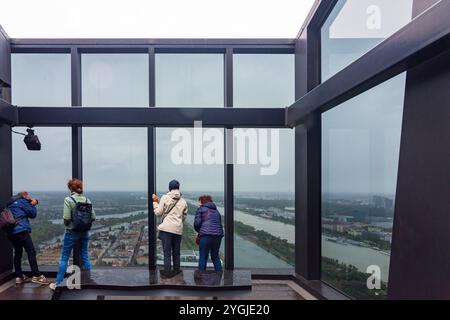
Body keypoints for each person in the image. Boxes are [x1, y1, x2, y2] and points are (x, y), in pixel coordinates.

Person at [49, 179, 95, 290]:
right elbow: (93, 217)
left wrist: (69, 225)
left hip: (71, 232)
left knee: (65, 256)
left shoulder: (68, 199)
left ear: (70, 188)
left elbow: (66, 218)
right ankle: (88, 280)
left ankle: (58, 283)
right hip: (84, 232)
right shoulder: (87, 200)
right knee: (84, 255)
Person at [6, 192, 50, 285]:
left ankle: (19, 276)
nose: (29, 198)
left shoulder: (10, 204)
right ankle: (37, 276)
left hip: (11, 233)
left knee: (18, 253)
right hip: (21, 230)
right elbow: (33, 214)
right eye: (28, 196)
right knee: (31, 251)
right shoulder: (22, 201)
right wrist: (33, 204)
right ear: (24, 196)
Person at [152, 179, 187, 276]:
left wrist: (155, 202)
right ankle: (177, 272)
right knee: (176, 253)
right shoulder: (183, 201)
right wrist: (178, 222)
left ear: (169, 188)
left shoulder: (165, 197)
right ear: (178, 188)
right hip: (178, 230)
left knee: (167, 253)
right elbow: (184, 216)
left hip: (166, 230)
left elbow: (158, 213)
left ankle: (167, 273)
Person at [194, 195, 224, 272]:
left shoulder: (201, 209)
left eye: (199, 201)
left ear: (202, 201)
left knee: (203, 257)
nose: (198, 203)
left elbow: (197, 224)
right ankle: (219, 276)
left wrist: (199, 231)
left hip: (205, 236)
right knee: (215, 256)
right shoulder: (216, 211)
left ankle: (201, 276)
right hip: (218, 236)